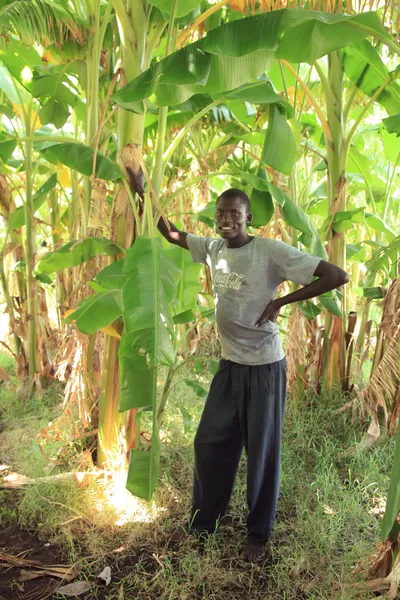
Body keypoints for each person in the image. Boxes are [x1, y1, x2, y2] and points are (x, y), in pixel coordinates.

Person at [157, 187, 349, 562]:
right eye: (220, 213)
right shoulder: (213, 249)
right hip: (230, 366)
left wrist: (281, 301)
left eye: (234, 214)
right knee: (209, 443)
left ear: (248, 218)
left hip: (263, 368)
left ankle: (258, 536)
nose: (226, 219)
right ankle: (203, 523)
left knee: (261, 453)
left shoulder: (269, 252)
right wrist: (142, 189)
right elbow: (171, 233)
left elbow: (336, 275)